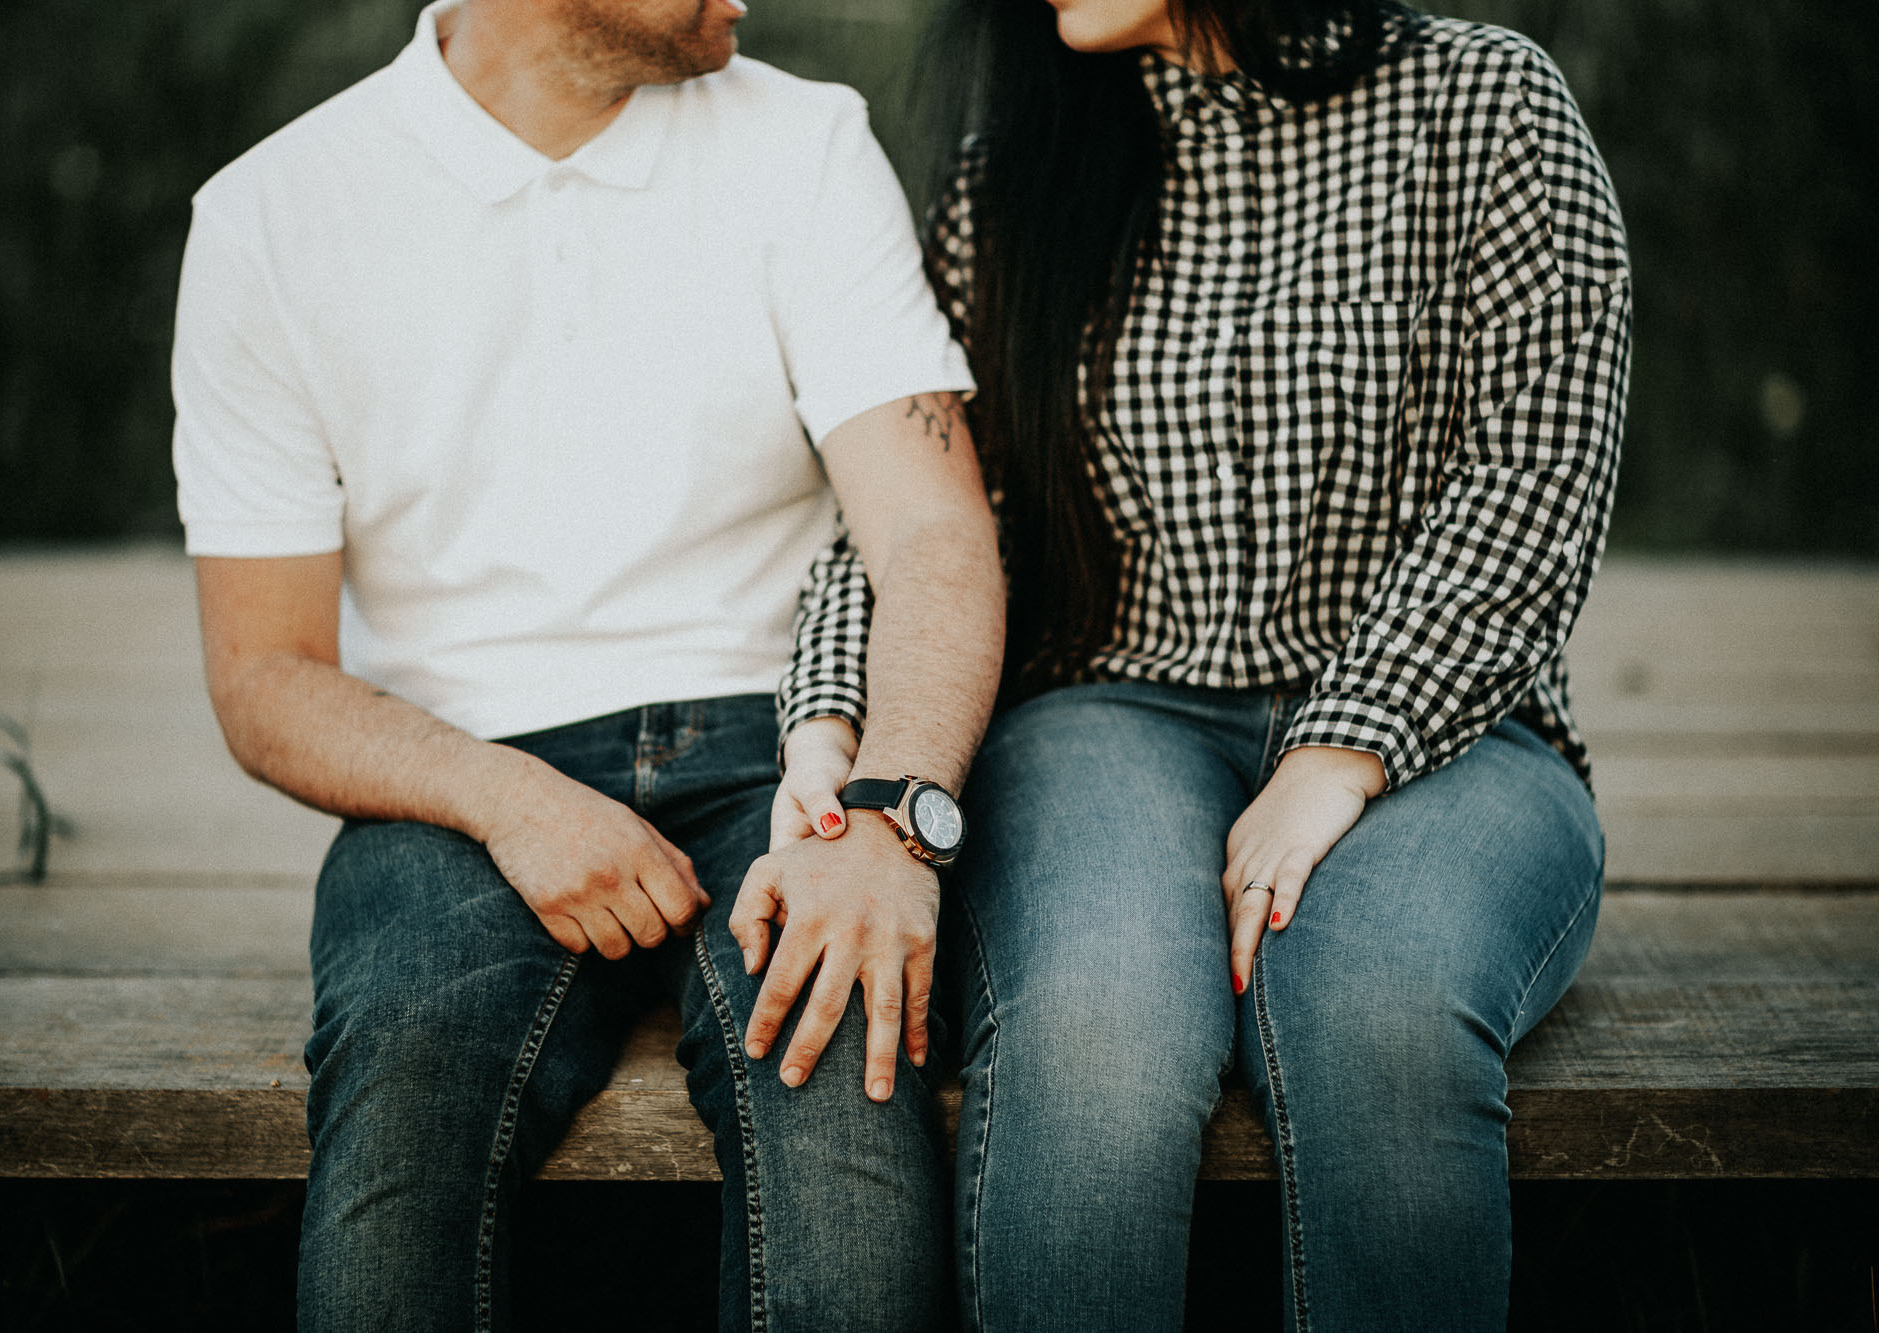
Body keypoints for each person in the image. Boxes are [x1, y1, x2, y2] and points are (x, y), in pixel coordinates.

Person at [772, 0, 1631, 1328]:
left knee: (1382, 1019)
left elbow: (1533, 477)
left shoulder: (1489, 104)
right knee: (1095, 1035)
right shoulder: (1014, 169)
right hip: (1109, 707)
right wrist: (832, 719)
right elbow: (926, 511)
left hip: (1451, 730)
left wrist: (1342, 748)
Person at [170, 0, 1004, 1328]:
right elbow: (264, 675)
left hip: (790, 747)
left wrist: (890, 819)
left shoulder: (807, 142)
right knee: (403, 1117)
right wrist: (509, 799)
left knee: (849, 1105)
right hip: (459, 770)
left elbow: (936, 531)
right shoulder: (274, 217)